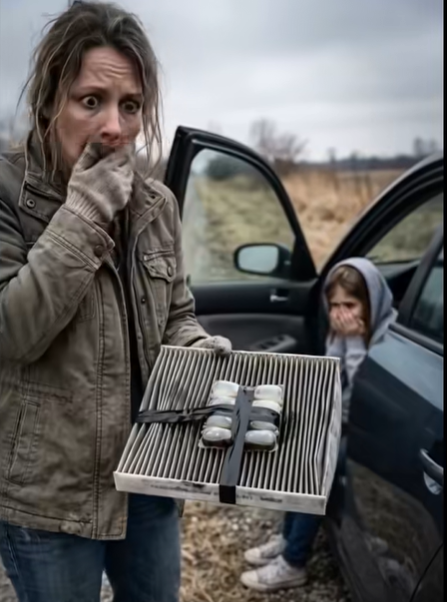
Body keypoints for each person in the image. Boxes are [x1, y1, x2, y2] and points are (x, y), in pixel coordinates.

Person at [0, 3, 231, 602]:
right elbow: (11, 331)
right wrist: (83, 214)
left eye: (130, 106)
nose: (114, 127)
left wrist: (197, 347)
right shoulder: (6, 192)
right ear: (49, 102)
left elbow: (175, 315)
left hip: (150, 471)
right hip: (50, 494)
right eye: (90, 101)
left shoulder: (157, 206)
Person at [240, 258, 396, 592]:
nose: (341, 314)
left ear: (371, 303)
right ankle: (287, 537)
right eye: (335, 306)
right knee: (298, 442)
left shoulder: (386, 338)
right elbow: (329, 382)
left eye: (350, 305)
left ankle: (293, 562)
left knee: (316, 461)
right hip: (344, 421)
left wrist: (354, 343)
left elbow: (361, 398)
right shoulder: (344, 332)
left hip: (370, 430)